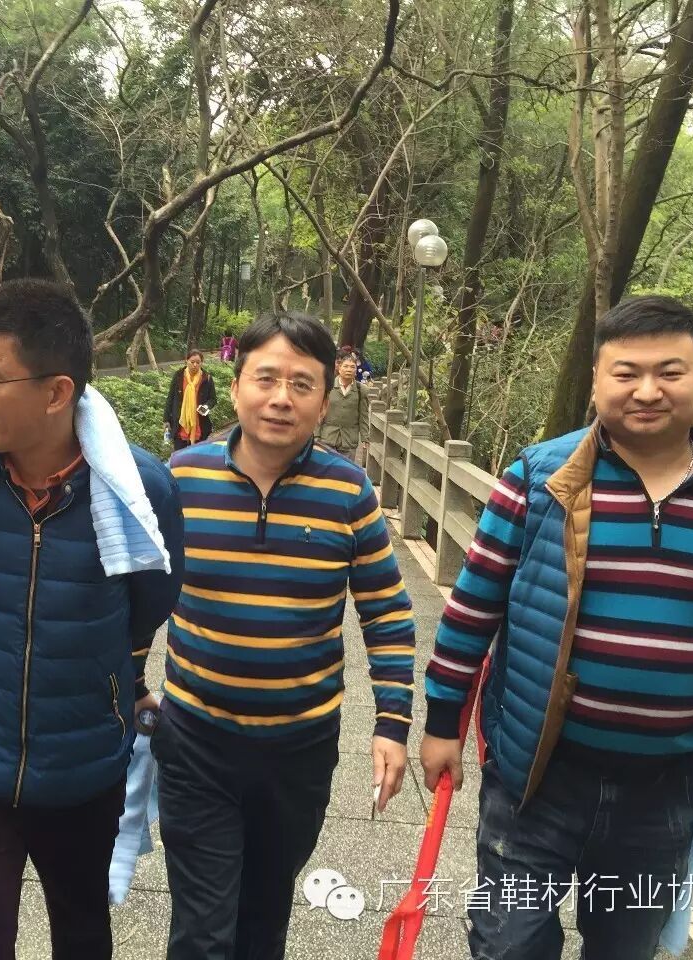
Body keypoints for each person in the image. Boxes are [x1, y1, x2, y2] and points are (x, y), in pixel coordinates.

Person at [420, 295, 693, 960]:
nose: (647, 391)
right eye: (626, 373)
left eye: (669, 372)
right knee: (508, 946)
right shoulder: (539, 479)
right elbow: (472, 608)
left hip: (663, 789)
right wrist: (442, 723)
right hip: (537, 775)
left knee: (624, 949)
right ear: (596, 381)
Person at [0, 279, 186, 960]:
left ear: (57, 393)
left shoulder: (139, 489)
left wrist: (102, 677)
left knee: (83, 936)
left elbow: (150, 604)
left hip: (84, 764)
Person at [157, 311, 416, 960]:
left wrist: (392, 722)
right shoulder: (181, 478)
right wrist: (128, 683)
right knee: (201, 931)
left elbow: (386, 612)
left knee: (264, 918)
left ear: (324, 401)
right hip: (196, 741)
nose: (281, 398)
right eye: (266, 378)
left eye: (302, 384)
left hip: (299, 749)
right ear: (235, 386)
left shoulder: (348, 491)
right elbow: (137, 589)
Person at [317, 350, 369, 464]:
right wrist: (316, 435)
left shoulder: (361, 390)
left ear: (356, 370)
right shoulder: (327, 387)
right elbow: (318, 412)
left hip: (349, 439)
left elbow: (363, 415)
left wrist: (365, 438)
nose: (349, 369)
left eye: (352, 367)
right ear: (339, 368)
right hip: (327, 437)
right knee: (326, 470)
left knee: (345, 471)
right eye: (345, 366)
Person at [164, 349, 217, 451]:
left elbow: (213, 399)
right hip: (180, 424)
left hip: (199, 424)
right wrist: (166, 419)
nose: (195, 365)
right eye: (192, 362)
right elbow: (170, 397)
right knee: (180, 456)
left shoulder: (207, 378)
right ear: (186, 361)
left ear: (201, 363)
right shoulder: (179, 376)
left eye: (198, 362)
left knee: (197, 456)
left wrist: (206, 407)